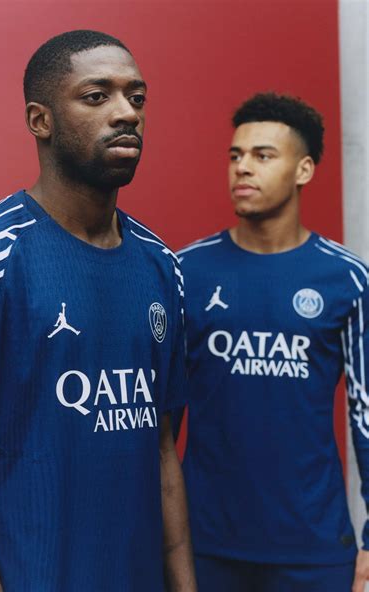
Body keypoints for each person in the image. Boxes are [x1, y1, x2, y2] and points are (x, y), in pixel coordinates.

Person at [0, 30, 196, 592]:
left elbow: (163, 455)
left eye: (136, 97)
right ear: (40, 120)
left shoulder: (163, 266)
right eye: (97, 96)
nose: (127, 113)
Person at [176, 92, 369, 591]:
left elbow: (367, 413)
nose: (242, 168)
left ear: (303, 170)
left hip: (313, 549)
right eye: (235, 155)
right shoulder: (185, 272)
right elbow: (155, 419)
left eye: (263, 156)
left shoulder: (347, 279)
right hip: (205, 546)